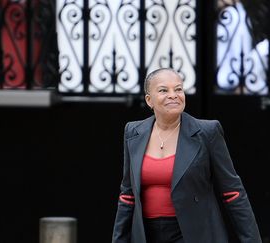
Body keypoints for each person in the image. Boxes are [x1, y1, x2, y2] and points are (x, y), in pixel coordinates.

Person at [112, 68, 261, 243]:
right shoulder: (133, 132)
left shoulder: (207, 132)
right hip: (145, 234)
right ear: (149, 100)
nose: (173, 95)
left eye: (178, 89)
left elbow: (233, 191)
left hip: (194, 233)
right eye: (163, 90)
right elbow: (127, 195)